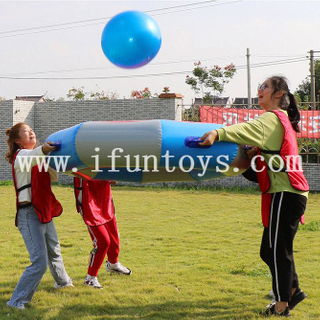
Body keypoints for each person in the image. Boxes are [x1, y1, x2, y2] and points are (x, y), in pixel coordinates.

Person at [199, 76, 309, 317]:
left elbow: (246, 129)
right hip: (284, 194)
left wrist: (218, 133)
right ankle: (293, 289)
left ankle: (282, 306)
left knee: (278, 250)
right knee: (268, 251)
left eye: (265, 87)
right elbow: (258, 170)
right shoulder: (278, 121)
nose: (260, 91)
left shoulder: (272, 118)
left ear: (279, 94)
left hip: (286, 193)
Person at [5, 122, 73, 310]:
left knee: (54, 249)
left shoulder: (38, 156)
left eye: (32, 130)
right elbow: (32, 157)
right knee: (39, 263)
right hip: (29, 214)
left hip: (44, 210)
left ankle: (62, 282)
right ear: (18, 141)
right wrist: (43, 150)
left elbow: (54, 176)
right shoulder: (21, 157)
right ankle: (16, 301)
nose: (32, 132)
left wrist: (54, 157)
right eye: (27, 132)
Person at [74, 177, 131, 289]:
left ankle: (113, 264)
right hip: (88, 202)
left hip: (105, 200)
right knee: (103, 241)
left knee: (114, 237)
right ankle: (90, 278)